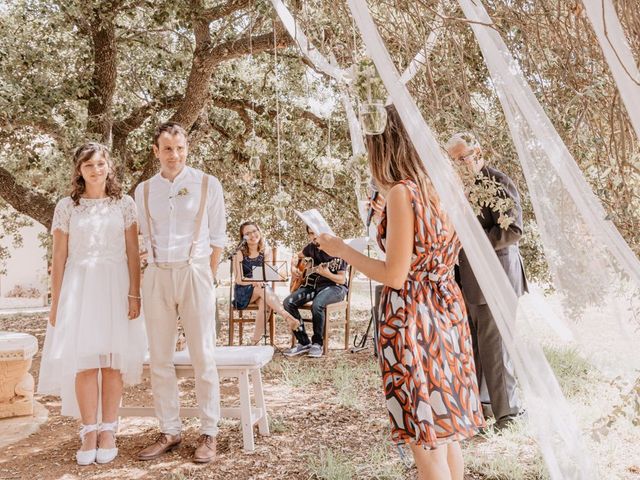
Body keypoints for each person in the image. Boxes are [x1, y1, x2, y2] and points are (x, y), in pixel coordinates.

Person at [317, 106, 484, 480]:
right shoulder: (444, 184)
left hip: (411, 319)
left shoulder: (401, 193)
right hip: (446, 312)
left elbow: (395, 274)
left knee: (425, 444)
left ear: (383, 145)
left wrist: (341, 248)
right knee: (445, 431)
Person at [38, 142, 145, 466]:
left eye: (100, 164)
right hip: (79, 287)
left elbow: (132, 253)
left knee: (112, 361)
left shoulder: (124, 204)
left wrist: (134, 293)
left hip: (115, 285)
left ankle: (109, 429)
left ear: (108, 166)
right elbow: (58, 258)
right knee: (85, 360)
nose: (96, 170)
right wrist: (56, 302)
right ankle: (88, 430)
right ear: (79, 171)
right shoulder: (67, 207)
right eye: (89, 166)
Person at [134, 122, 226, 463]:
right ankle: (170, 430)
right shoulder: (143, 191)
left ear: (187, 148)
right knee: (159, 357)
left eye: (180, 147)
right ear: (156, 151)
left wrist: (207, 276)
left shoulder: (206, 183)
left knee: (203, 354)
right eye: (168, 148)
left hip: (194, 272)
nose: (175, 155)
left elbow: (218, 237)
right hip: (157, 275)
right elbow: (142, 238)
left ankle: (209, 432)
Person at [446, 132, 527, 430]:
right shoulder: (460, 189)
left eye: (462, 158)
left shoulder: (497, 182)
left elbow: (513, 231)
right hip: (468, 279)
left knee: (496, 347)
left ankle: (509, 414)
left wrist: (469, 241)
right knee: (475, 346)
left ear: (478, 151)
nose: (458, 165)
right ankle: (483, 407)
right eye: (453, 161)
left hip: (497, 278)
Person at [283, 225, 349, 358]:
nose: (314, 237)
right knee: (288, 303)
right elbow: (296, 255)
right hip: (313, 286)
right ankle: (304, 342)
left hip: (335, 287)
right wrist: (293, 268)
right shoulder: (311, 247)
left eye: (316, 233)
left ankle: (317, 343)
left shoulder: (338, 251)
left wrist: (328, 274)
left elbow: (341, 279)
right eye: (311, 233)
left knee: (317, 304)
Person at [232, 221, 298, 344]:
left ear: (259, 231)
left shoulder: (266, 251)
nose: (252, 235)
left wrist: (274, 275)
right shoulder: (239, 252)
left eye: (254, 231)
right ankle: (286, 316)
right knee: (262, 289)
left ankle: (254, 342)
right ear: (243, 238)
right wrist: (254, 281)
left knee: (265, 303)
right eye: (248, 233)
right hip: (243, 292)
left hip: (260, 289)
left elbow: (266, 275)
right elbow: (239, 279)